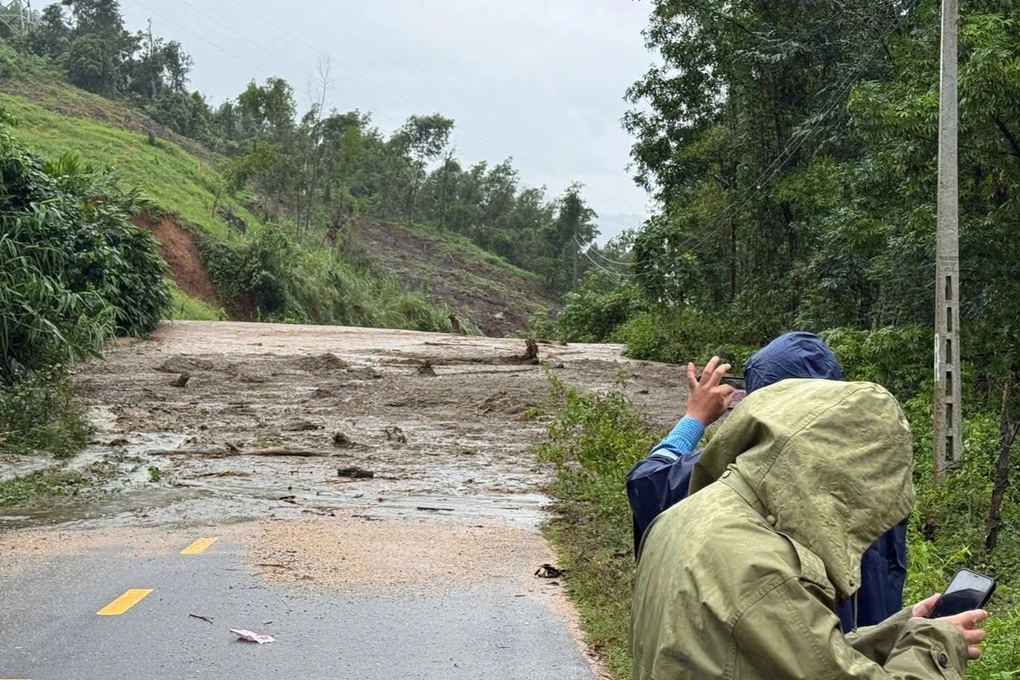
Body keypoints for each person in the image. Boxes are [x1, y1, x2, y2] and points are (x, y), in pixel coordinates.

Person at [630, 379, 987, 679]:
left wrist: (898, 631)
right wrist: (935, 645)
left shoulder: (690, 513)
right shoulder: (761, 570)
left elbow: (779, 655)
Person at [625, 331, 906, 630]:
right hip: (865, 655)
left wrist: (694, 418)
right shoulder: (877, 468)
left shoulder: (746, 464)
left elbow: (647, 484)